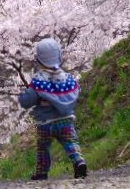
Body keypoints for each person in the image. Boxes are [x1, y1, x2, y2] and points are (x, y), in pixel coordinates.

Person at [18, 37, 87, 181]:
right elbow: (76, 90)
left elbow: (26, 101)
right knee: (71, 142)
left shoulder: (38, 81)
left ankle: (41, 173)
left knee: (43, 147)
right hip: (66, 121)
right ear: (59, 56)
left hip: (45, 123)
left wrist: (26, 97)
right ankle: (79, 161)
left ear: (39, 60)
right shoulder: (68, 78)